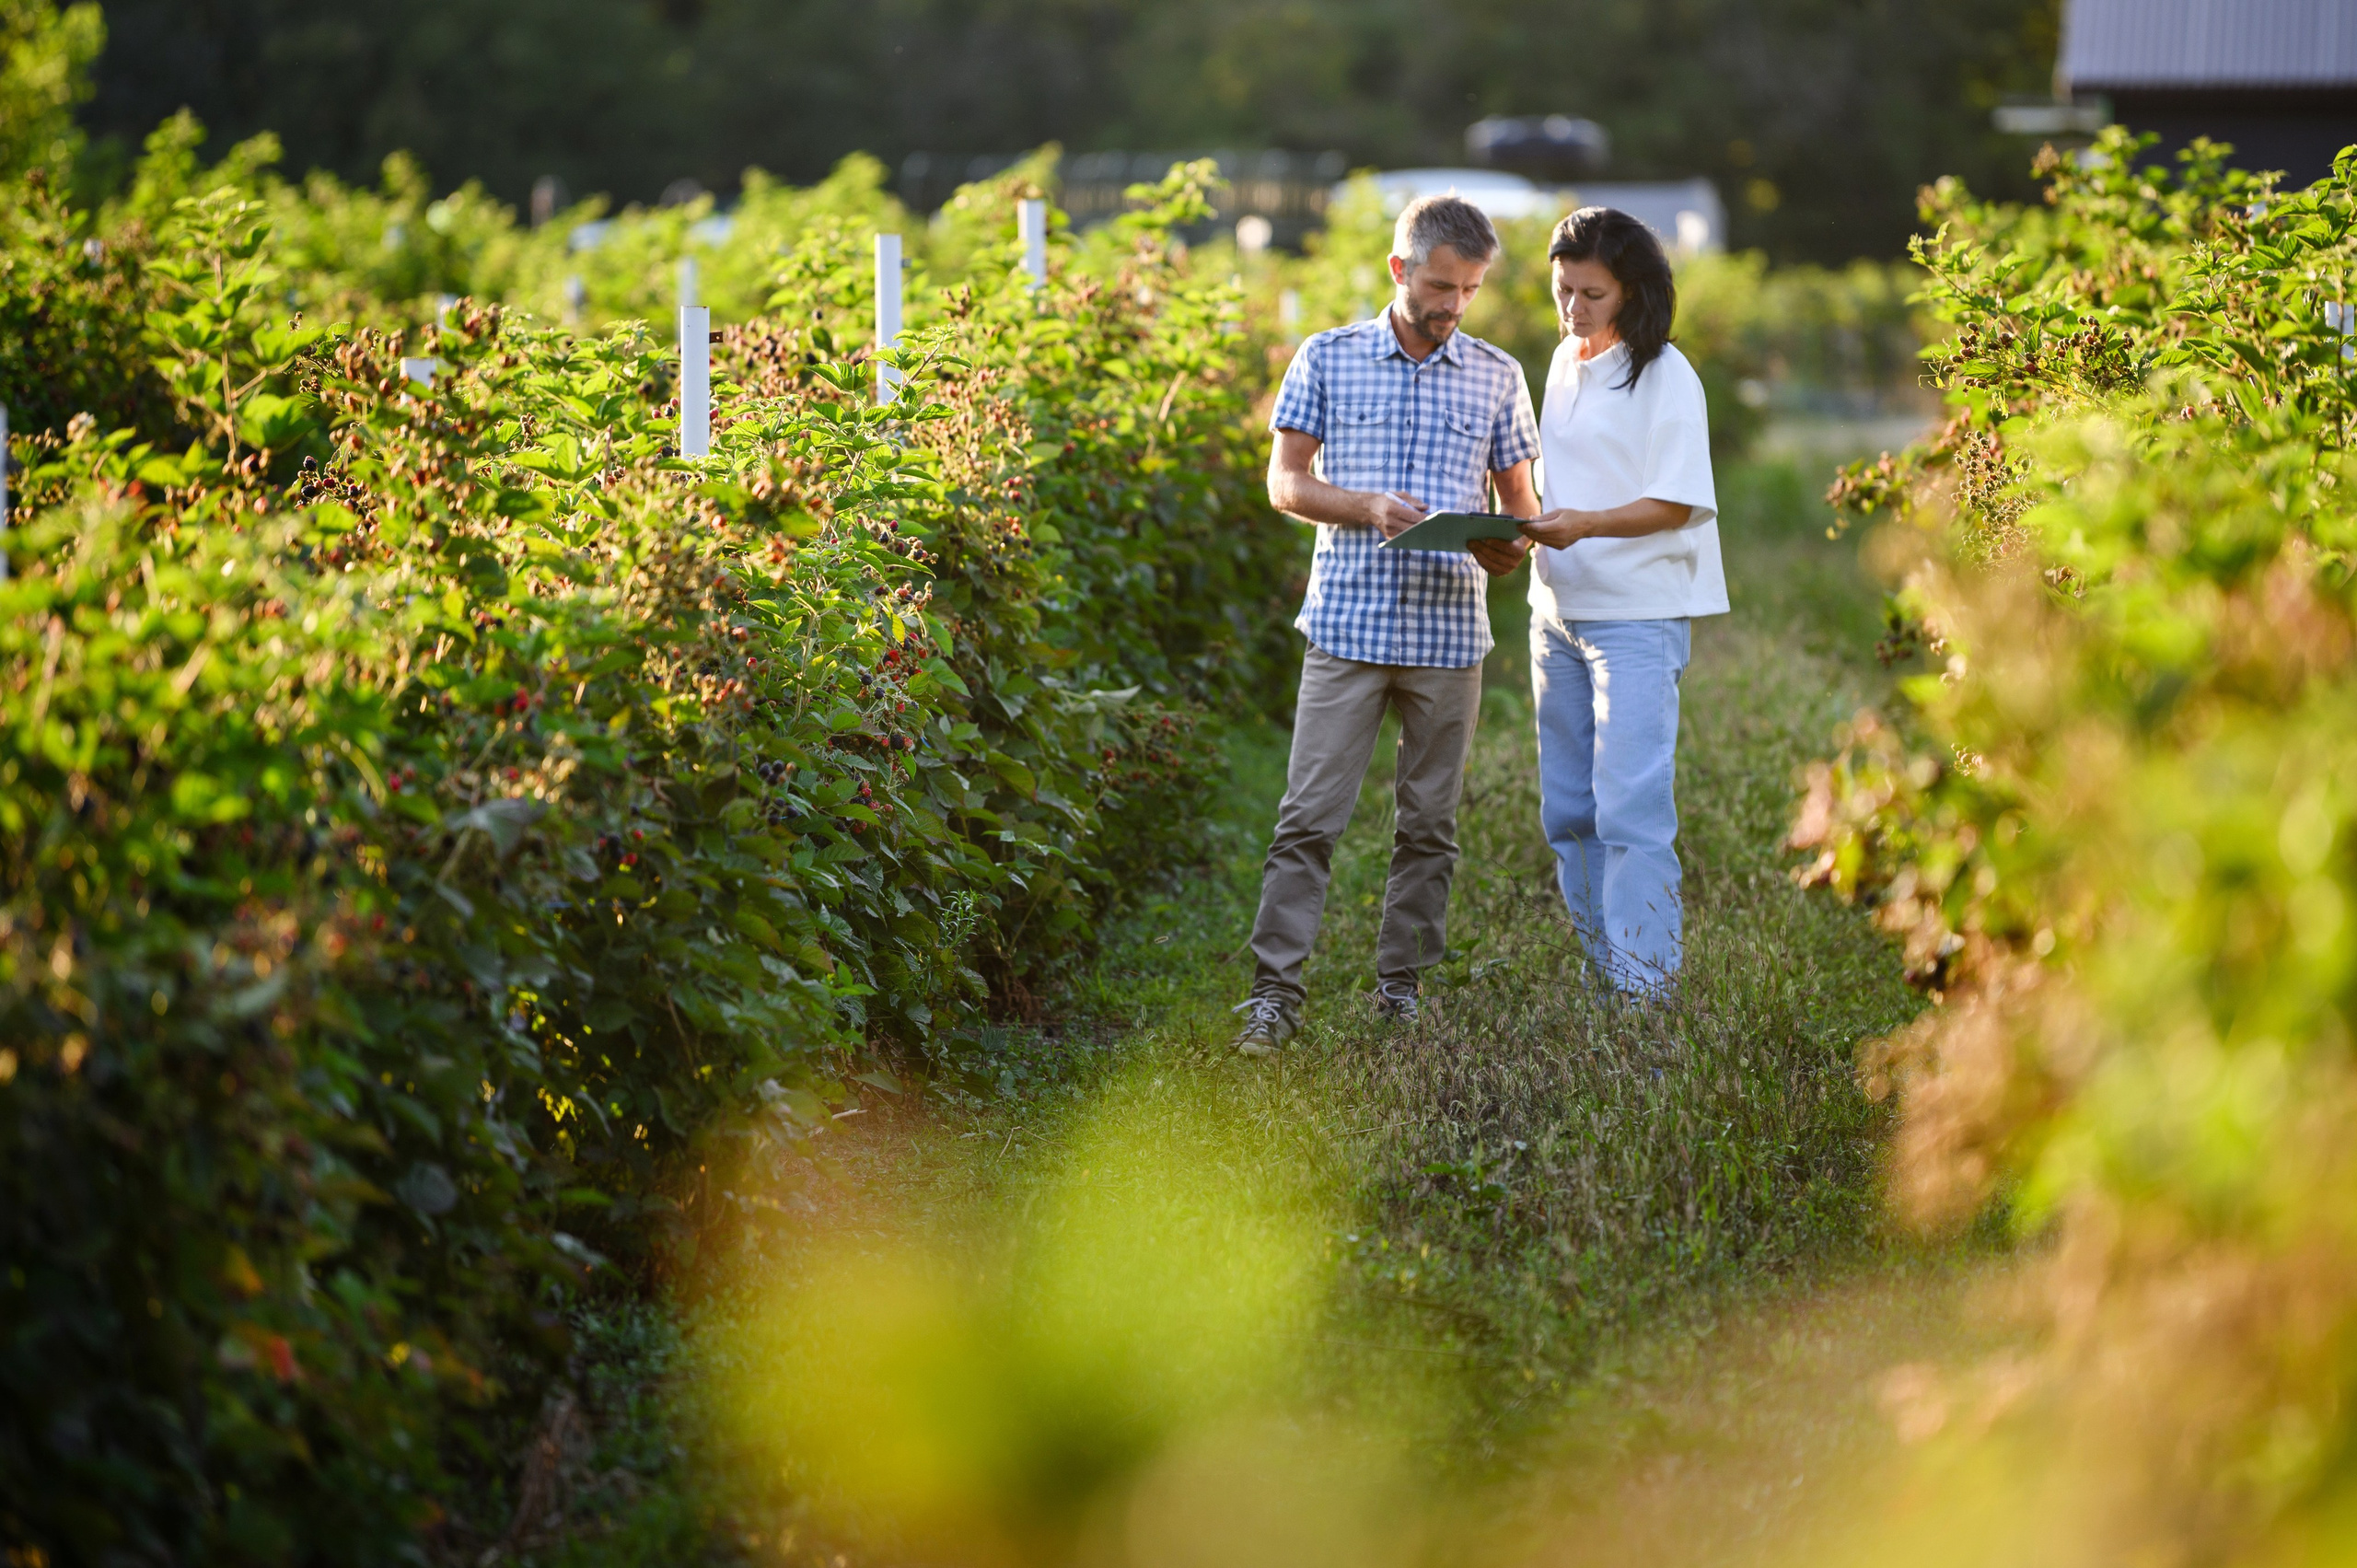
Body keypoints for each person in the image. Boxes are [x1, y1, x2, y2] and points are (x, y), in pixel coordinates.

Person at [1230, 194, 1540, 1057]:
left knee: (1429, 826)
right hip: (1347, 627)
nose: (1455, 305)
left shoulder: (1498, 374)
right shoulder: (1325, 358)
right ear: (1400, 270)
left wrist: (1505, 546)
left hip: (1448, 637)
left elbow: (1521, 506)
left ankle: (1399, 989)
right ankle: (1273, 994)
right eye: (1442, 285)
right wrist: (1364, 504)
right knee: (1307, 820)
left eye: (1471, 289)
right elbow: (1285, 484)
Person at [1515, 207, 1725, 996]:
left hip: (1635, 618)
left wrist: (1587, 524)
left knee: (1630, 808)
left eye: (1591, 294)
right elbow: (1554, 484)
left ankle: (1646, 994)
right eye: (1563, 289)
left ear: (1632, 290)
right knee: (1568, 810)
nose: (1572, 309)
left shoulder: (1667, 374)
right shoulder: (1563, 362)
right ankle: (1604, 974)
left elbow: (1675, 502)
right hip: (1557, 612)